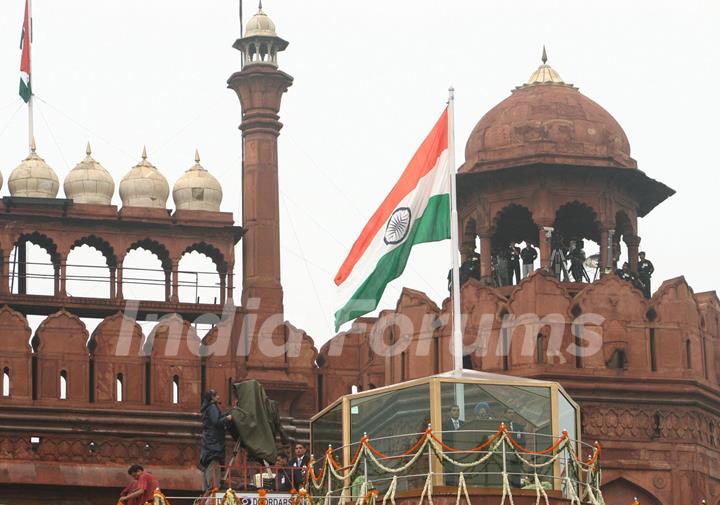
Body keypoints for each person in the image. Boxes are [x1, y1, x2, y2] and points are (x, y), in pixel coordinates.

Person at [200, 389, 233, 492]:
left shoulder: (208, 408)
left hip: (210, 443)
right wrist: (227, 418)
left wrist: (227, 414)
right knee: (214, 465)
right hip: (213, 444)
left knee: (211, 465)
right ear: (212, 397)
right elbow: (216, 422)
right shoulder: (212, 407)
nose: (218, 397)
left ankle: (211, 487)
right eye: (216, 395)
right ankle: (213, 488)